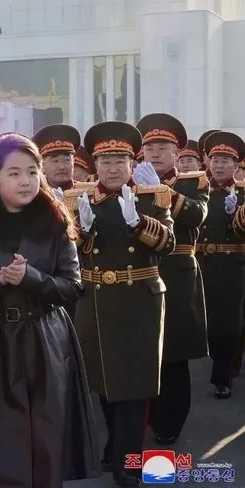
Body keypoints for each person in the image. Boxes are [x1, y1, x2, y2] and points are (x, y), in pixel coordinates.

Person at [0, 133, 100, 487]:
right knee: (1, 443)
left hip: (47, 340)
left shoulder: (56, 223)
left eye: (32, 171)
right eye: (13, 173)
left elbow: (73, 287)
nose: (25, 180)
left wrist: (31, 278)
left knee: (46, 440)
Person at [65, 121, 174, 487]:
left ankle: (129, 463)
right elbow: (67, 255)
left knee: (134, 388)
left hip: (138, 301)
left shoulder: (151, 196)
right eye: (106, 162)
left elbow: (167, 245)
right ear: (95, 166)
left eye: (120, 161)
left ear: (132, 164)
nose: (113, 169)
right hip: (95, 302)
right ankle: (116, 446)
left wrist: (138, 222)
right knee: (105, 386)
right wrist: (81, 230)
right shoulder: (80, 201)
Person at [135, 113, 209, 444]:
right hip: (142, 275)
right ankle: (148, 416)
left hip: (178, 277)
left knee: (175, 358)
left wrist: (161, 189)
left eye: (163, 147)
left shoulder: (193, 182)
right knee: (144, 353)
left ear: (177, 152)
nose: (155, 153)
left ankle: (172, 422)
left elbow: (197, 214)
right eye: (149, 147)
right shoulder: (131, 181)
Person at [197, 131, 245, 399]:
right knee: (204, 320)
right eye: (215, 159)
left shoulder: (242, 193)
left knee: (228, 323)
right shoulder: (197, 189)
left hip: (231, 267)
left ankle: (222, 377)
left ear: (236, 166)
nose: (219, 165)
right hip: (200, 263)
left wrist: (236, 215)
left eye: (227, 161)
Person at [32, 124, 82, 193]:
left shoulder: (86, 194)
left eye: (67, 160)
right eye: (55, 161)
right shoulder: (35, 195)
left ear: (73, 162)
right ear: (42, 165)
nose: (61, 167)